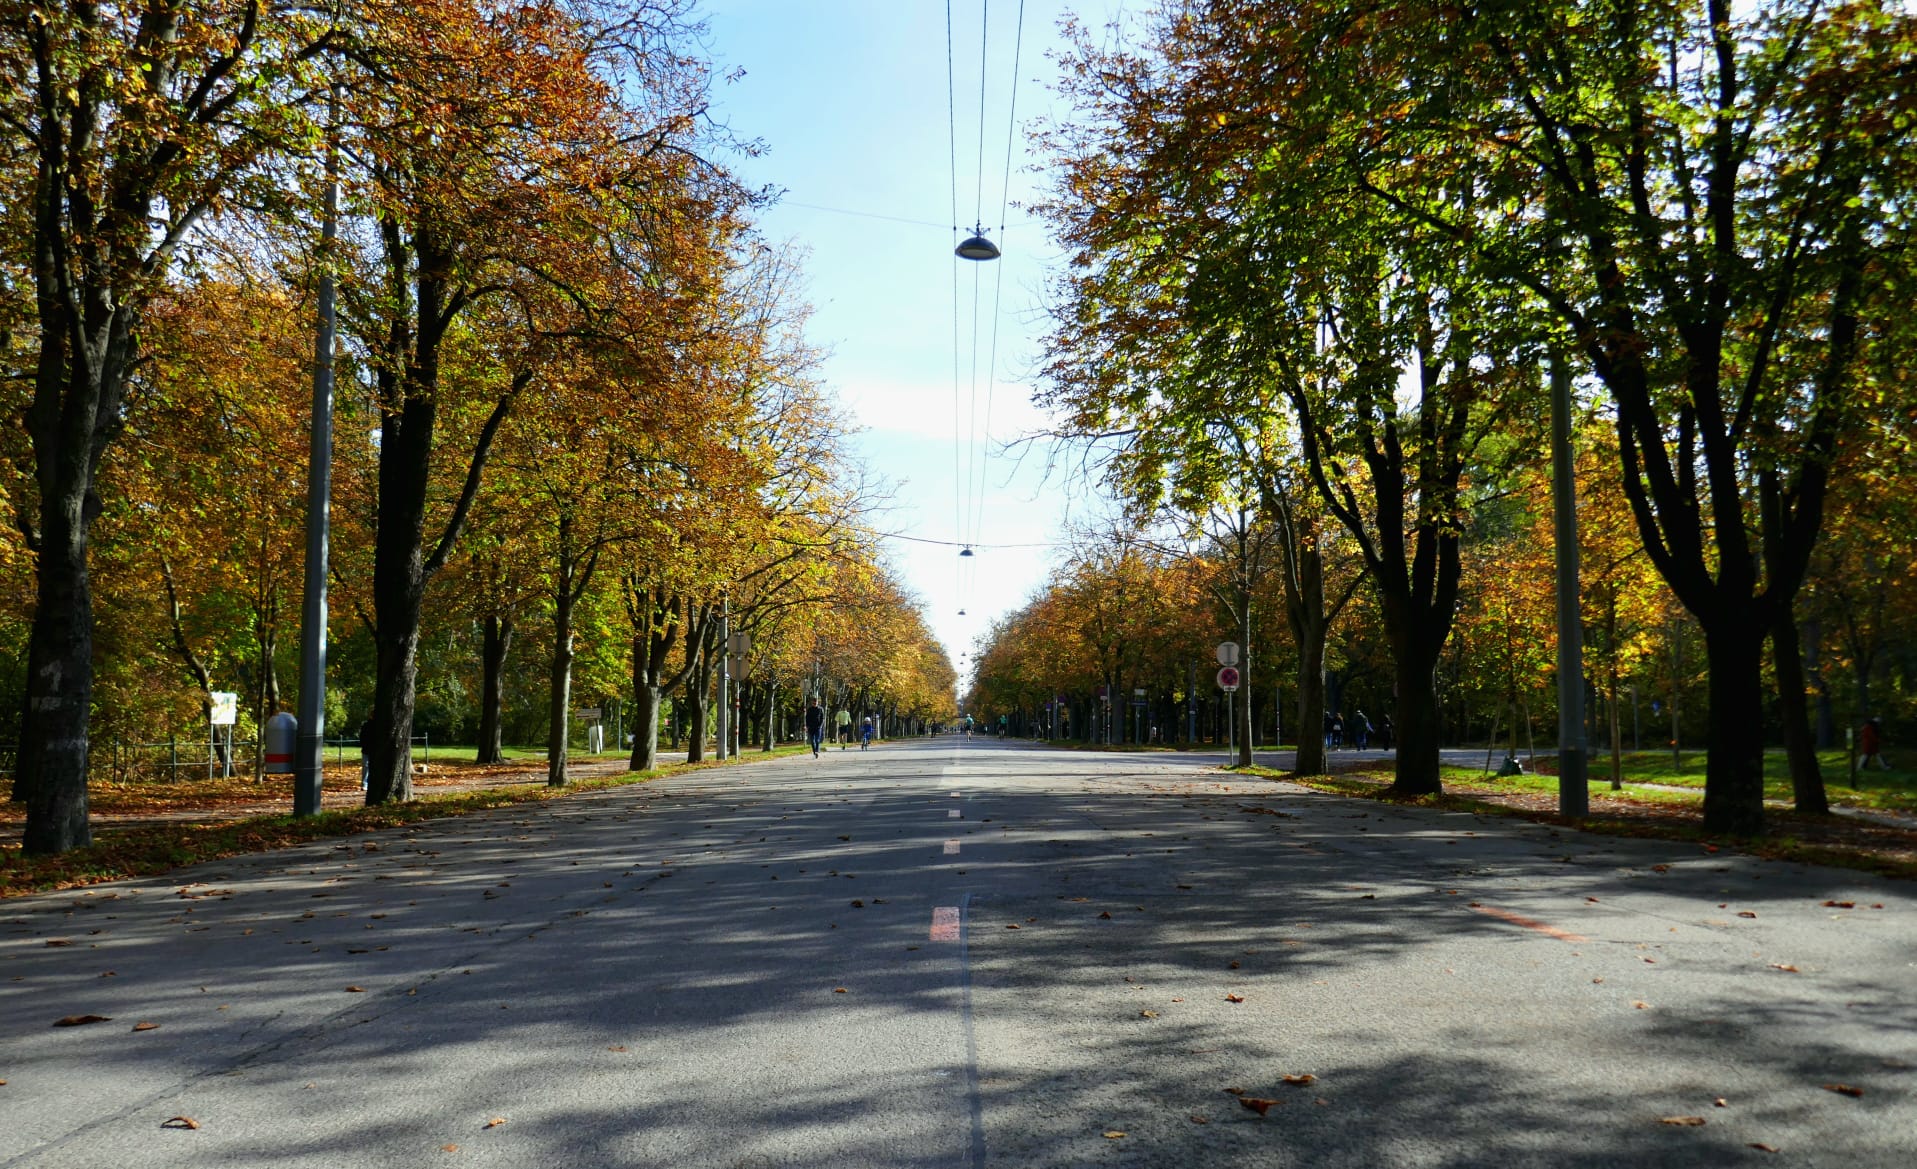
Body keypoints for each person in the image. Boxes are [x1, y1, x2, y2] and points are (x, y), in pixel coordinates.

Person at [358, 716, 375, 791]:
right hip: (366, 749)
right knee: (366, 766)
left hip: (374, 750)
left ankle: (369, 784)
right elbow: (362, 736)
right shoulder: (366, 725)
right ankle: (365, 784)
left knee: (371, 767)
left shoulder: (379, 725)